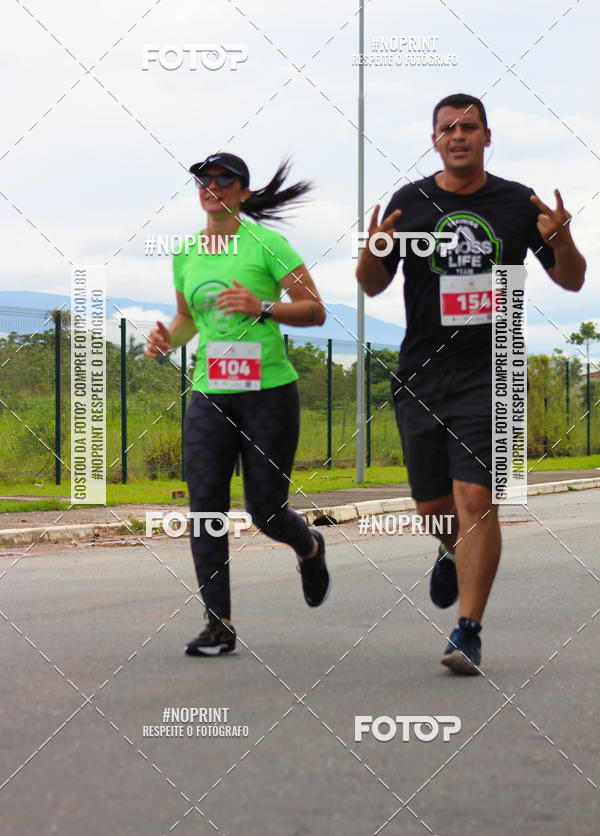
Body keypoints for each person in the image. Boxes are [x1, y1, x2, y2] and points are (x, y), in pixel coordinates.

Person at [356, 94, 586, 674]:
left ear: (488, 136)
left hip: (494, 369)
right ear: (434, 138)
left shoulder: (515, 203)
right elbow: (372, 286)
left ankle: (467, 630)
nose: (458, 135)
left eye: (469, 127)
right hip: (422, 372)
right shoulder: (410, 203)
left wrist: (561, 240)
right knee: (434, 505)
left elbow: (574, 280)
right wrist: (373, 250)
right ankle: (446, 550)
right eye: (447, 128)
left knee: (476, 499)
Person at [146, 152, 330, 656]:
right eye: (204, 179)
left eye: (224, 179)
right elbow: (188, 320)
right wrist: (169, 338)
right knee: (205, 505)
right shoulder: (185, 253)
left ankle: (309, 547)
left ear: (243, 191)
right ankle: (218, 623)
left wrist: (262, 306)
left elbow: (315, 311)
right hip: (210, 391)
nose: (212, 186)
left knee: (266, 510)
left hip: (269, 393)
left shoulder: (267, 245)